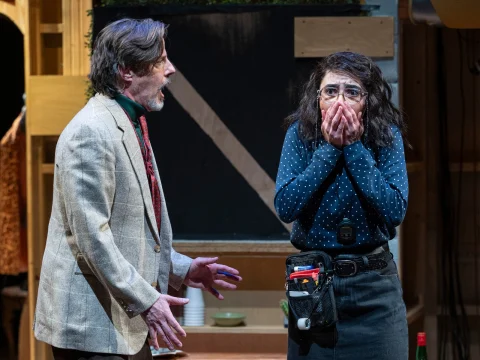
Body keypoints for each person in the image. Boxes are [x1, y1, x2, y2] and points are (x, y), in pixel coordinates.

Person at [34, 18, 242, 360]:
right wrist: (148, 300)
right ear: (127, 70)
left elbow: (131, 234)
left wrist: (183, 269)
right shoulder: (91, 132)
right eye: (161, 61)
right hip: (92, 329)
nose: (171, 70)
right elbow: (93, 238)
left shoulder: (130, 123)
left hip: (121, 325)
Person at [275, 52, 408, 359]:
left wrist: (354, 148)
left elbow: (394, 210)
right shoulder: (301, 134)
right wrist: (329, 151)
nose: (340, 102)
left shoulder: (386, 136)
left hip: (374, 290)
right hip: (315, 288)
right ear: (317, 98)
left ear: (368, 100)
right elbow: (285, 205)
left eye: (352, 93)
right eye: (330, 92)